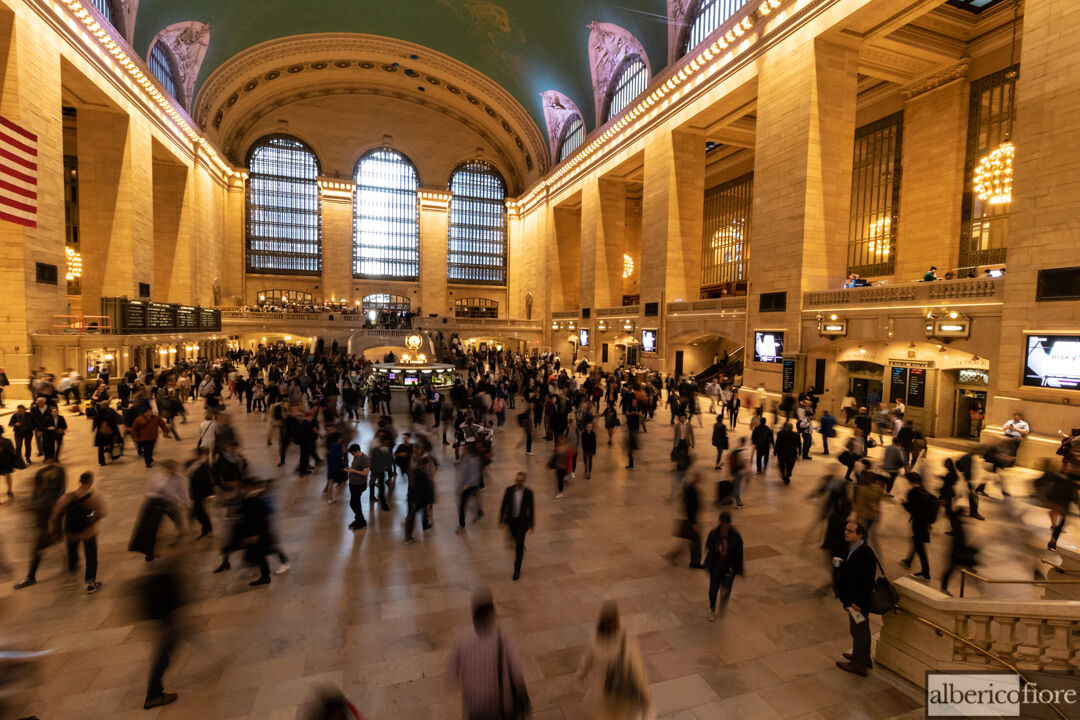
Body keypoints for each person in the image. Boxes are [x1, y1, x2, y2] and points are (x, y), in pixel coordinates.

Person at [448, 591, 529, 720]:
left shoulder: (461, 646)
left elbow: (450, 678)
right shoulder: (503, 644)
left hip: (475, 710)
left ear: (475, 622)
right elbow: (517, 672)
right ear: (492, 619)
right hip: (500, 708)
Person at [576, 601, 650, 720]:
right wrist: (645, 695)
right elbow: (638, 672)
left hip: (601, 695)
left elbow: (585, 663)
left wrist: (580, 677)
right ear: (617, 621)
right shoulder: (628, 643)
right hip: (622, 696)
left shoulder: (595, 641)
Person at [13, 456, 66, 589]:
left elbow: (61, 490)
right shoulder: (40, 474)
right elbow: (35, 491)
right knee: (50, 541)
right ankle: (70, 561)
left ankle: (30, 576)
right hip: (42, 517)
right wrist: (31, 504)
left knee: (38, 548)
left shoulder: (60, 473)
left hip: (49, 516)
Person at [49, 470, 106, 594]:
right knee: (91, 556)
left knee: (72, 553)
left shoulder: (67, 497)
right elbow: (101, 513)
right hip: (88, 532)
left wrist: (55, 532)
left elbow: (55, 514)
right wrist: (91, 515)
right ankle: (91, 584)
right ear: (91, 482)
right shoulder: (93, 497)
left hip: (71, 533)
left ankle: (72, 577)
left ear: (80, 481)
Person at [835, 521, 877, 677]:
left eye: (851, 531)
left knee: (859, 630)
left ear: (860, 535)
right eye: (846, 529)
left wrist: (858, 603)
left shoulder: (865, 554)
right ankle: (863, 657)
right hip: (852, 600)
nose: (846, 532)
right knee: (859, 629)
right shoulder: (852, 549)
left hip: (857, 603)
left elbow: (866, 582)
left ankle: (859, 665)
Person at [129, 461, 190, 562]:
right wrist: (158, 495)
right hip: (155, 505)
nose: (171, 471)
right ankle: (149, 552)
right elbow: (147, 491)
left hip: (170, 504)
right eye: (169, 469)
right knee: (151, 528)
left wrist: (185, 503)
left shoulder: (180, 478)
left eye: (173, 468)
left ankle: (181, 533)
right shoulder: (157, 478)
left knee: (177, 519)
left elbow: (183, 491)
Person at [704, 511, 743, 620]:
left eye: (727, 525)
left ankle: (723, 604)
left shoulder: (735, 536)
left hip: (728, 567)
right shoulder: (714, 533)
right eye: (723, 525)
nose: (725, 528)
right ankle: (712, 608)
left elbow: (739, 553)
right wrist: (717, 550)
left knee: (726, 589)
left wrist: (739, 569)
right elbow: (709, 548)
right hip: (716, 565)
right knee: (713, 588)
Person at [900, 472, 937, 581]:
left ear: (910, 481)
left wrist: (904, 504)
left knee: (920, 548)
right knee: (917, 543)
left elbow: (910, 508)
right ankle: (909, 561)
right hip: (924, 523)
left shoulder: (912, 492)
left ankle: (925, 573)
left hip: (917, 523)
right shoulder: (924, 491)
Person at [498, 472, 534, 581]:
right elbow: (504, 505)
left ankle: (517, 570)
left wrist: (532, 524)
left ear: (524, 481)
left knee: (518, 549)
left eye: (521, 481)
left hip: (522, 523)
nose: (518, 482)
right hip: (511, 521)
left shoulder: (528, 493)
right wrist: (501, 521)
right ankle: (520, 543)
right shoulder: (509, 490)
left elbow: (531, 509)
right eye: (517, 480)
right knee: (516, 538)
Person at [665, 471, 703, 569]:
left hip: (689, 519)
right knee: (694, 541)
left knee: (688, 540)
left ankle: (674, 556)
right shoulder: (691, 489)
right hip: (691, 520)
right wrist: (694, 523)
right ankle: (694, 562)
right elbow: (689, 507)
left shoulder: (690, 487)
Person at [187, 447, 214, 539]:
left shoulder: (204, 466)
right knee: (200, 512)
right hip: (195, 493)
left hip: (201, 493)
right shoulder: (194, 464)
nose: (194, 456)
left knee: (199, 512)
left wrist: (210, 494)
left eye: (196, 455)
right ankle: (206, 531)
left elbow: (209, 481)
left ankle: (208, 530)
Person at [345, 443, 370, 531]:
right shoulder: (356, 457)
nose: (352, 455)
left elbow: (365, 473)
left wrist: (353, 471)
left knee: (354, 503)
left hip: (359, 484)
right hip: (353, 483)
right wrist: (350, 469)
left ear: (357, 451)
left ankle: (362, 522)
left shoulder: (365, 459)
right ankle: (358, 519)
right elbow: (355, 467)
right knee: (355, 503)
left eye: (353, 453)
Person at [0, 426, 17, 501]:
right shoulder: (7, 441)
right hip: (6, 462)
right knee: (8, 476)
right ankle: (10, 490)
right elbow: (12, 452)